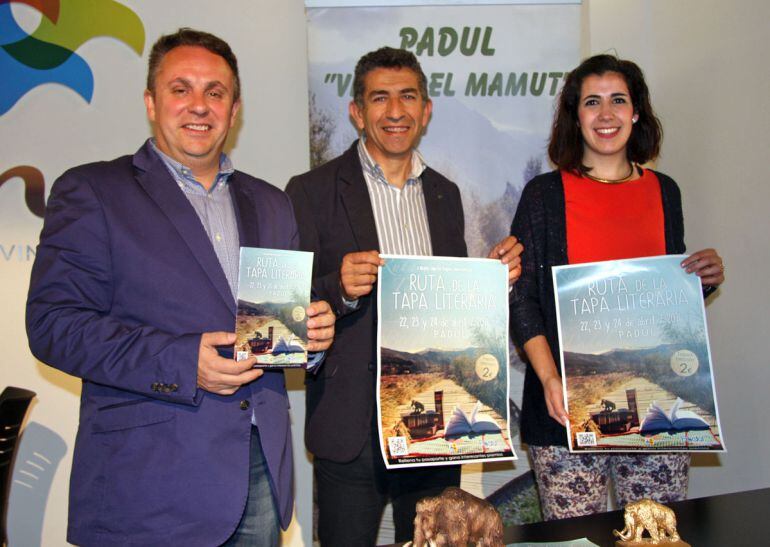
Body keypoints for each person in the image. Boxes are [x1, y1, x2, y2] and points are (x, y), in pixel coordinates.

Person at [25, 28, 335, 546]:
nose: (200, 105)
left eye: (216, 92)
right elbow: (54, 325)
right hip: (148, 483)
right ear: (151, 102)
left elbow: (277, 331)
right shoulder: (93, 191)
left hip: (258, 477)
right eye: (181, 88)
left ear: (234, 111)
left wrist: (311, 341)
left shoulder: (271, 203)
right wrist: (180, 361)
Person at [286, 46, 523, 545]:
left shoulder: (445, 195)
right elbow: (286, 303)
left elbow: (449, 310)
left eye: (407, 97)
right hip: (350, 429)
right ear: (357, 112)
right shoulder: (309, 190)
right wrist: (337, 287)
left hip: (433, 426)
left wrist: (488, 285)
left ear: (426, 111)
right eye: (380, 98)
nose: (395, 111)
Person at [509, 54, 725, 520]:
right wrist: (549, 379)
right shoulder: (544, 196)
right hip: (562, 409)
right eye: (592, 102)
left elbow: (663, 298)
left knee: (655, 535)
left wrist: (698, 282)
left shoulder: (665, 191)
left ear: (636, 112)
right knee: (576, 539)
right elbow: (521, 296)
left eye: (617, 100)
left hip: (658, 409)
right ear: (576, 116)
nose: (606, 114)